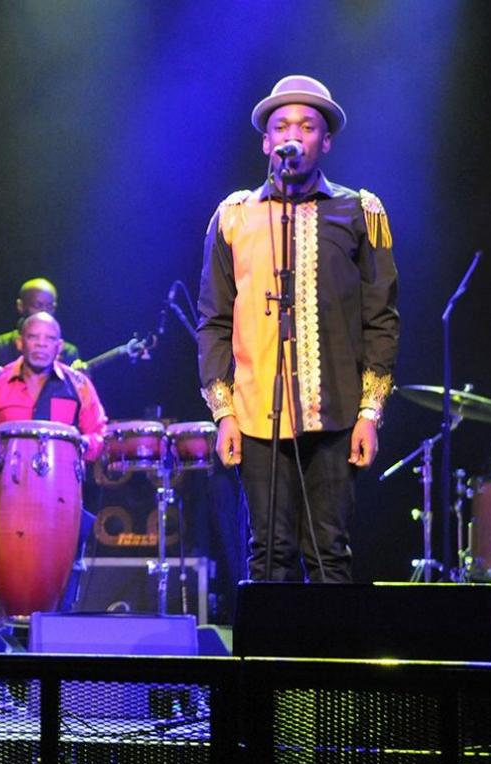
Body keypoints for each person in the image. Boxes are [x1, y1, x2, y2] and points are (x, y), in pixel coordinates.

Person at [197, 75, 399, 583]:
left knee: (330, 552)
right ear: (267, 141)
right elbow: (214, 320)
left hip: (334, 415)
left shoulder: (359, 212)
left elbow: (381, 318)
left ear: (325, 140)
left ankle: (329, 664)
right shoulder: (233, 216)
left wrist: (369, 413)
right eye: (282, 125)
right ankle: (268, 665)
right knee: (269, 554)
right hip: (255, 415)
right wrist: (224, 414)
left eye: (308, 126)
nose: (295, 134)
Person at [0, 312, 106, 460]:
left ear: (59, 347)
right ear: (20, 343)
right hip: (4, 483)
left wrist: (80, 444)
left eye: (50, 338)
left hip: (61, 481)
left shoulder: (79, 385)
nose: (41, 344)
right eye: (33, 337)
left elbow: (99, 434)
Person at [0, 278, 81, 370]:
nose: (44, 312)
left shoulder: (67, 351)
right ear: (21, 306)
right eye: (37, 306)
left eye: (49, 306)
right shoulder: (1, 345)